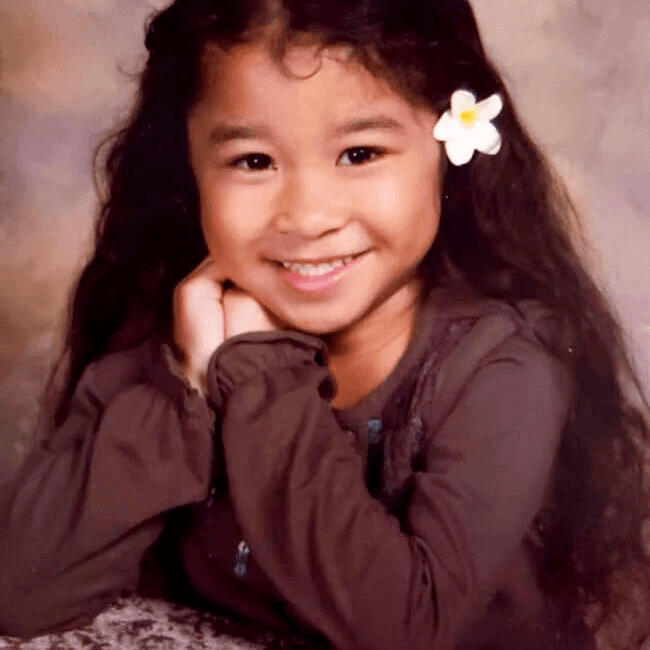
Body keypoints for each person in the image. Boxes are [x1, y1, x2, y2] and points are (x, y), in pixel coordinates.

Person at [0, 0, 648, 647]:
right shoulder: (175, 341)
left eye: (360, 153)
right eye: (254, 161)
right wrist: (193, 389)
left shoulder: (502, 370)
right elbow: (19, 593)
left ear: (451, 151)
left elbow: (402, 630)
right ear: (190, 172)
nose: (308, 217)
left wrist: (256, 373)